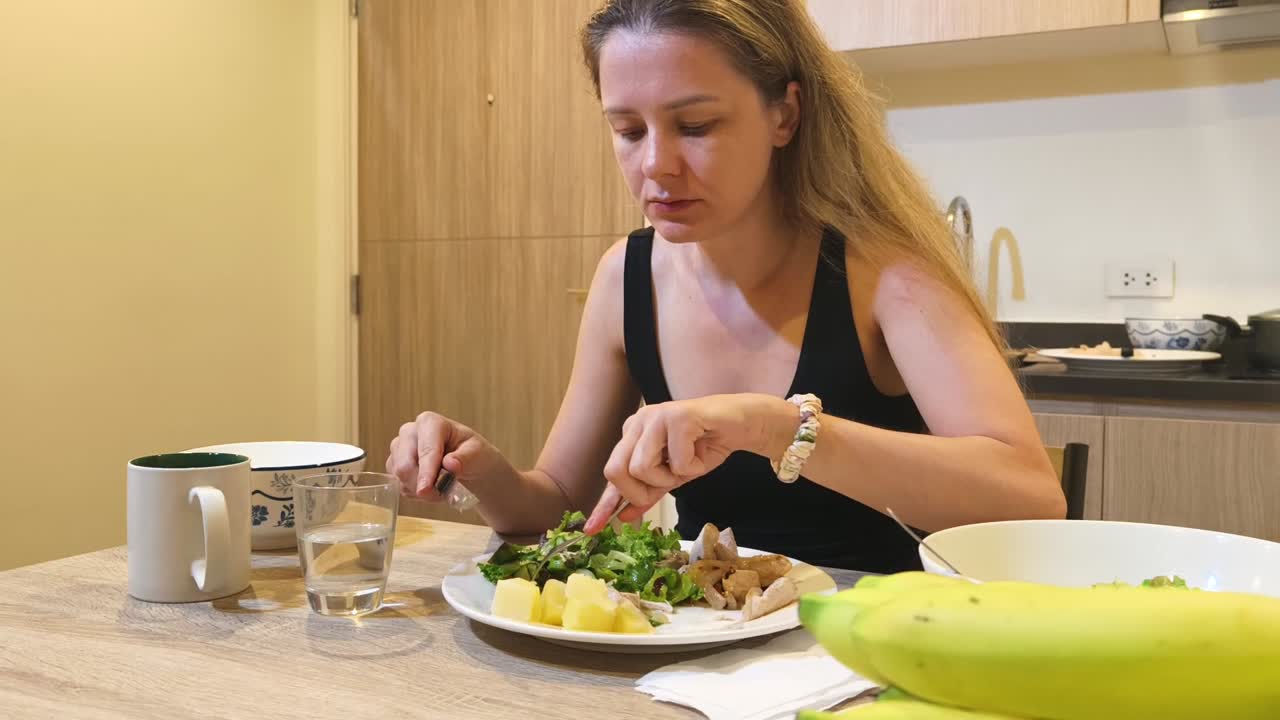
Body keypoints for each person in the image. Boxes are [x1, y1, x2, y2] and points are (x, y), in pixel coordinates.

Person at [385, 0, 1064, 573]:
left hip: (876, 650)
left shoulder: (886, 271)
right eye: (627, 131)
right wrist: (479, 470)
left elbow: (1031, 497)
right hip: (705, 655)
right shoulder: (627, 276)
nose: (656, 164)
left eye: (697, 126)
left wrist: (774, 427)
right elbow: (560, 505)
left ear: (785, 116)